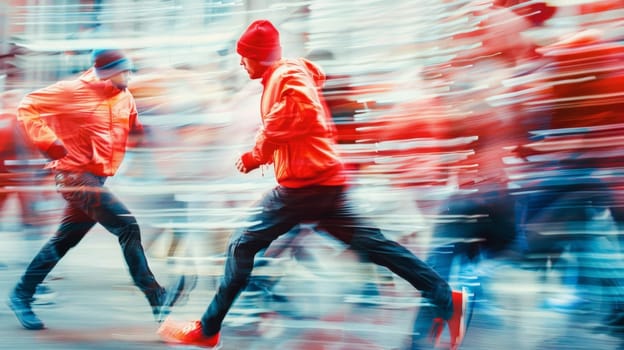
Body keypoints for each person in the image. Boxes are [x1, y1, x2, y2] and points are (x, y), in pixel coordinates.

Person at [157, 19, 467, 348]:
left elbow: (302, 110)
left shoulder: (285, 75)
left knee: (241, 246)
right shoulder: (288, 71)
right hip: (322, 184)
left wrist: (258, 152)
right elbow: (305, 99)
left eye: (244, 56)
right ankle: (446, 298)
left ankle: (207, 330)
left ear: (259, 56)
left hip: (303, 188)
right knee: (376, 247)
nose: (240, 62)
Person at [6, 49, 194, 330]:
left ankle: (21, 294)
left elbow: (136, 134)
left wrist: (165, 162)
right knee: (127, 226)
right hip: (73, 176)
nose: (129, 76)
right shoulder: (71, 91)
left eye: (130, 71)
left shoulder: (124, 97)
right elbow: (27, 106)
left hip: (97, 179)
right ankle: (157, 297)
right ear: (106, 72)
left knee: (63, 240)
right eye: (124, 71)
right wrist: (48, 143)